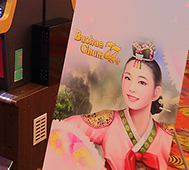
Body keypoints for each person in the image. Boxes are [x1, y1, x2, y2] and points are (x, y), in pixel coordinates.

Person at [52, 39, 173, 170]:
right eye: (128, 78)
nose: (131, 88)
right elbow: (65, 129)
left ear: (156, 92)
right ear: (122, 79)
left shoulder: (166, 135)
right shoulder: (108, 121)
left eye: (142, 82)